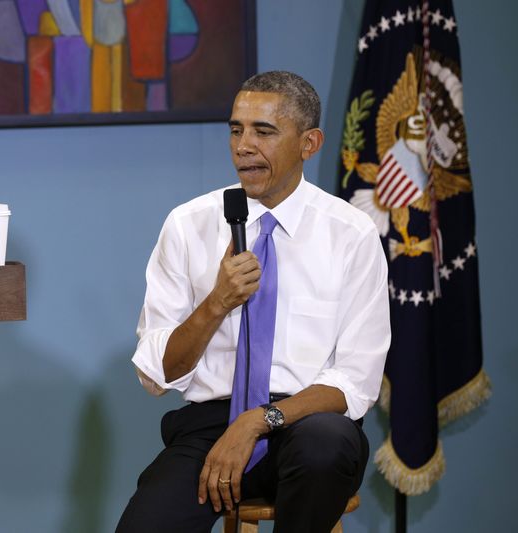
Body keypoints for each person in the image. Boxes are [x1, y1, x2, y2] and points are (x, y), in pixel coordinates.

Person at [116, 71, 390, 533]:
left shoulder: (351, 233)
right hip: (209, 427)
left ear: (309, 143)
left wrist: (256, 422)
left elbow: (355, 382)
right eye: (236, 129)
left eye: (263, 131)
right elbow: (156, 375)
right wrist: (217, 303)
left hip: (306, 423)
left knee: (327, 442)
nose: (243, 146)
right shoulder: (188, 225)